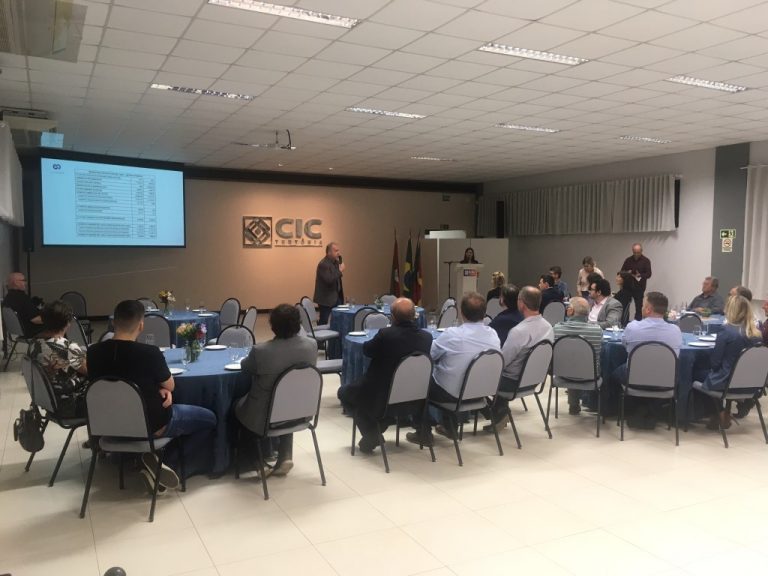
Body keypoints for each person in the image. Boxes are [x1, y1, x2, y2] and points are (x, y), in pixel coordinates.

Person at [88, 300, 217, 490]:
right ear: (141, 325)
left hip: (107, 424)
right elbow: (170, 385)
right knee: (210, 419)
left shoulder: (93, 352)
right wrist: (162, 388)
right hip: (150, 425)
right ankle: (168, 466)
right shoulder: (149, 353)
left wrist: (156, 387)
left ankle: (149, 461)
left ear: (113, 322)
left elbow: (107, 384)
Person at [406, 292, 500, 446]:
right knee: (452, 374)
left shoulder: (453, 334)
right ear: (484, 314)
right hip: (482, 392)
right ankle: (449, 427)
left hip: (455, 395)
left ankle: (423, 432)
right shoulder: (493, 334)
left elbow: (429, 356)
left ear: (461, 313)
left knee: (418, 380)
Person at [340, 298, 432, 454]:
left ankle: (372, 433)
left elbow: (368, 350)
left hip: (382, 395)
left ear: (393, 317)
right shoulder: (426, 337)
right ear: (414, 316)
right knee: (361, 394)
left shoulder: (386, 335)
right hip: (415, 397)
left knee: (344, 393)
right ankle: (380, 426)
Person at [236, 303, 317, 476]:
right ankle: (285, 455)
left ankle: (258, 463)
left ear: (273, 326)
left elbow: (245, 367)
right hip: (301, 411)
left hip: (266, 416)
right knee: (288, 401)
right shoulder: (311, 346)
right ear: (298, 324)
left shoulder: (261, 351)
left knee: (237, 409)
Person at [612, 292, 682, 427]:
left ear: (648, 309)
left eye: (643, 305)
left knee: (614, 370)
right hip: (665, 380)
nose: (641, 308)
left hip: (634, 378)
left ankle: (621, 410)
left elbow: (625, 346)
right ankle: (651, 410)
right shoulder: (676, 331)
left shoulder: (633, 327)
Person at [488, 286, 554, 429]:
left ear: (522, 303)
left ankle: (492, 412)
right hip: (534, 380)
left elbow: (503, 361)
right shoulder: (548, 327)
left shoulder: (519, 331)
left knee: (473, 375)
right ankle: (499, 412)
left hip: (512, 382)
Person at [694, 295, 762, 430]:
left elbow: (715, 363)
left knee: (695, 373)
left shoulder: (726, 331)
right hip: (751, 384)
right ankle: (719, 415)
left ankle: (718, 413)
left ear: (730, 310)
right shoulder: (756, 335)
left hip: (727, 383)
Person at [28, 301, 88, 419]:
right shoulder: (68, 347)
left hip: (48, 403)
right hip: (70, 406)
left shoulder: (34, 343)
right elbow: (89, 371)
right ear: (68, 323)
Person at [552, 297, 603, 415]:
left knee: (571, 362)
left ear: (570, 311)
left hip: (563, 374)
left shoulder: (557, 329)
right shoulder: (597, 331)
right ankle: (594, 404)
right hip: (590, 376)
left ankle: (573, 404)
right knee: (584, 363)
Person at [313, 242, 345, 325]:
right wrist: (340, 271)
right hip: (326, 299)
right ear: (329, 252)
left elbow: (336, 277)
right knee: (324, 321)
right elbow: (329, 280)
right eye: (336, 251)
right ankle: (321, 333)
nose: (338, 253)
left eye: (338, 250)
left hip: (336, 297)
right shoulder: (323, 264)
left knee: (338, 320)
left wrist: (339, 270)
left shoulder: (335, 262)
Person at [3, 272, 43, 336]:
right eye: (23, 280)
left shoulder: (7, 298)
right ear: (16, 282)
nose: (25, 283)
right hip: (32, 331)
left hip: (19, 332)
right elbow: (35, 319)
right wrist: (52, 319)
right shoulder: (22, 298)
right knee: (58, 322)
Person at [621, 243, 652, 321]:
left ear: (641, 251)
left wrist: (640, 275)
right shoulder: (628, 260)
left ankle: (637, 323)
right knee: (624, 306)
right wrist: (628, 272)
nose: (636, 254)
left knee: (638, 307)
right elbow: (621, 272)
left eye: (638, 252)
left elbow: (649, 274)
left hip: (639, 287)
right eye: (634, 252)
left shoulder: (646, 261)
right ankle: (624, 323)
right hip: (627, 287)